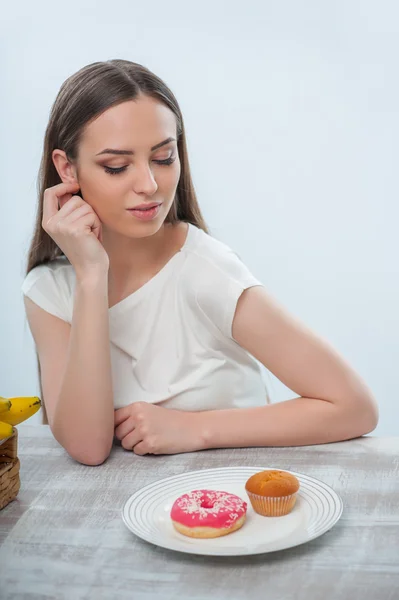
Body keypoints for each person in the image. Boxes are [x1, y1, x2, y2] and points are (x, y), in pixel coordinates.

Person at [22, 59, 378, 466]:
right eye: (117, 166)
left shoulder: (205, 271)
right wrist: (90, 275)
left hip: (236, 492)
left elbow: (353, 406)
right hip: (131, 515)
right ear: (67, 168)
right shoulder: (49, 291)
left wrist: (193, 429)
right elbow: (87, 446)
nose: (149, 186)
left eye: (163, 157)